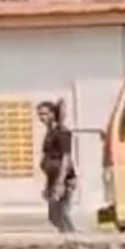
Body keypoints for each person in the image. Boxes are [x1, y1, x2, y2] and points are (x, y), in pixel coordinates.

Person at [36, 100, 77, 234]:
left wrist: (60, 183)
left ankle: (72, 238)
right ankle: (67, 236)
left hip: (63, 178)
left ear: (53, 114)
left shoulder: (62, 132)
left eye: (45, 114)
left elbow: (66, 158)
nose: (42, 117)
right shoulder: (50, 132)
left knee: (62, 213)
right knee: (54, 216)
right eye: (40, 115)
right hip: (52, 178)